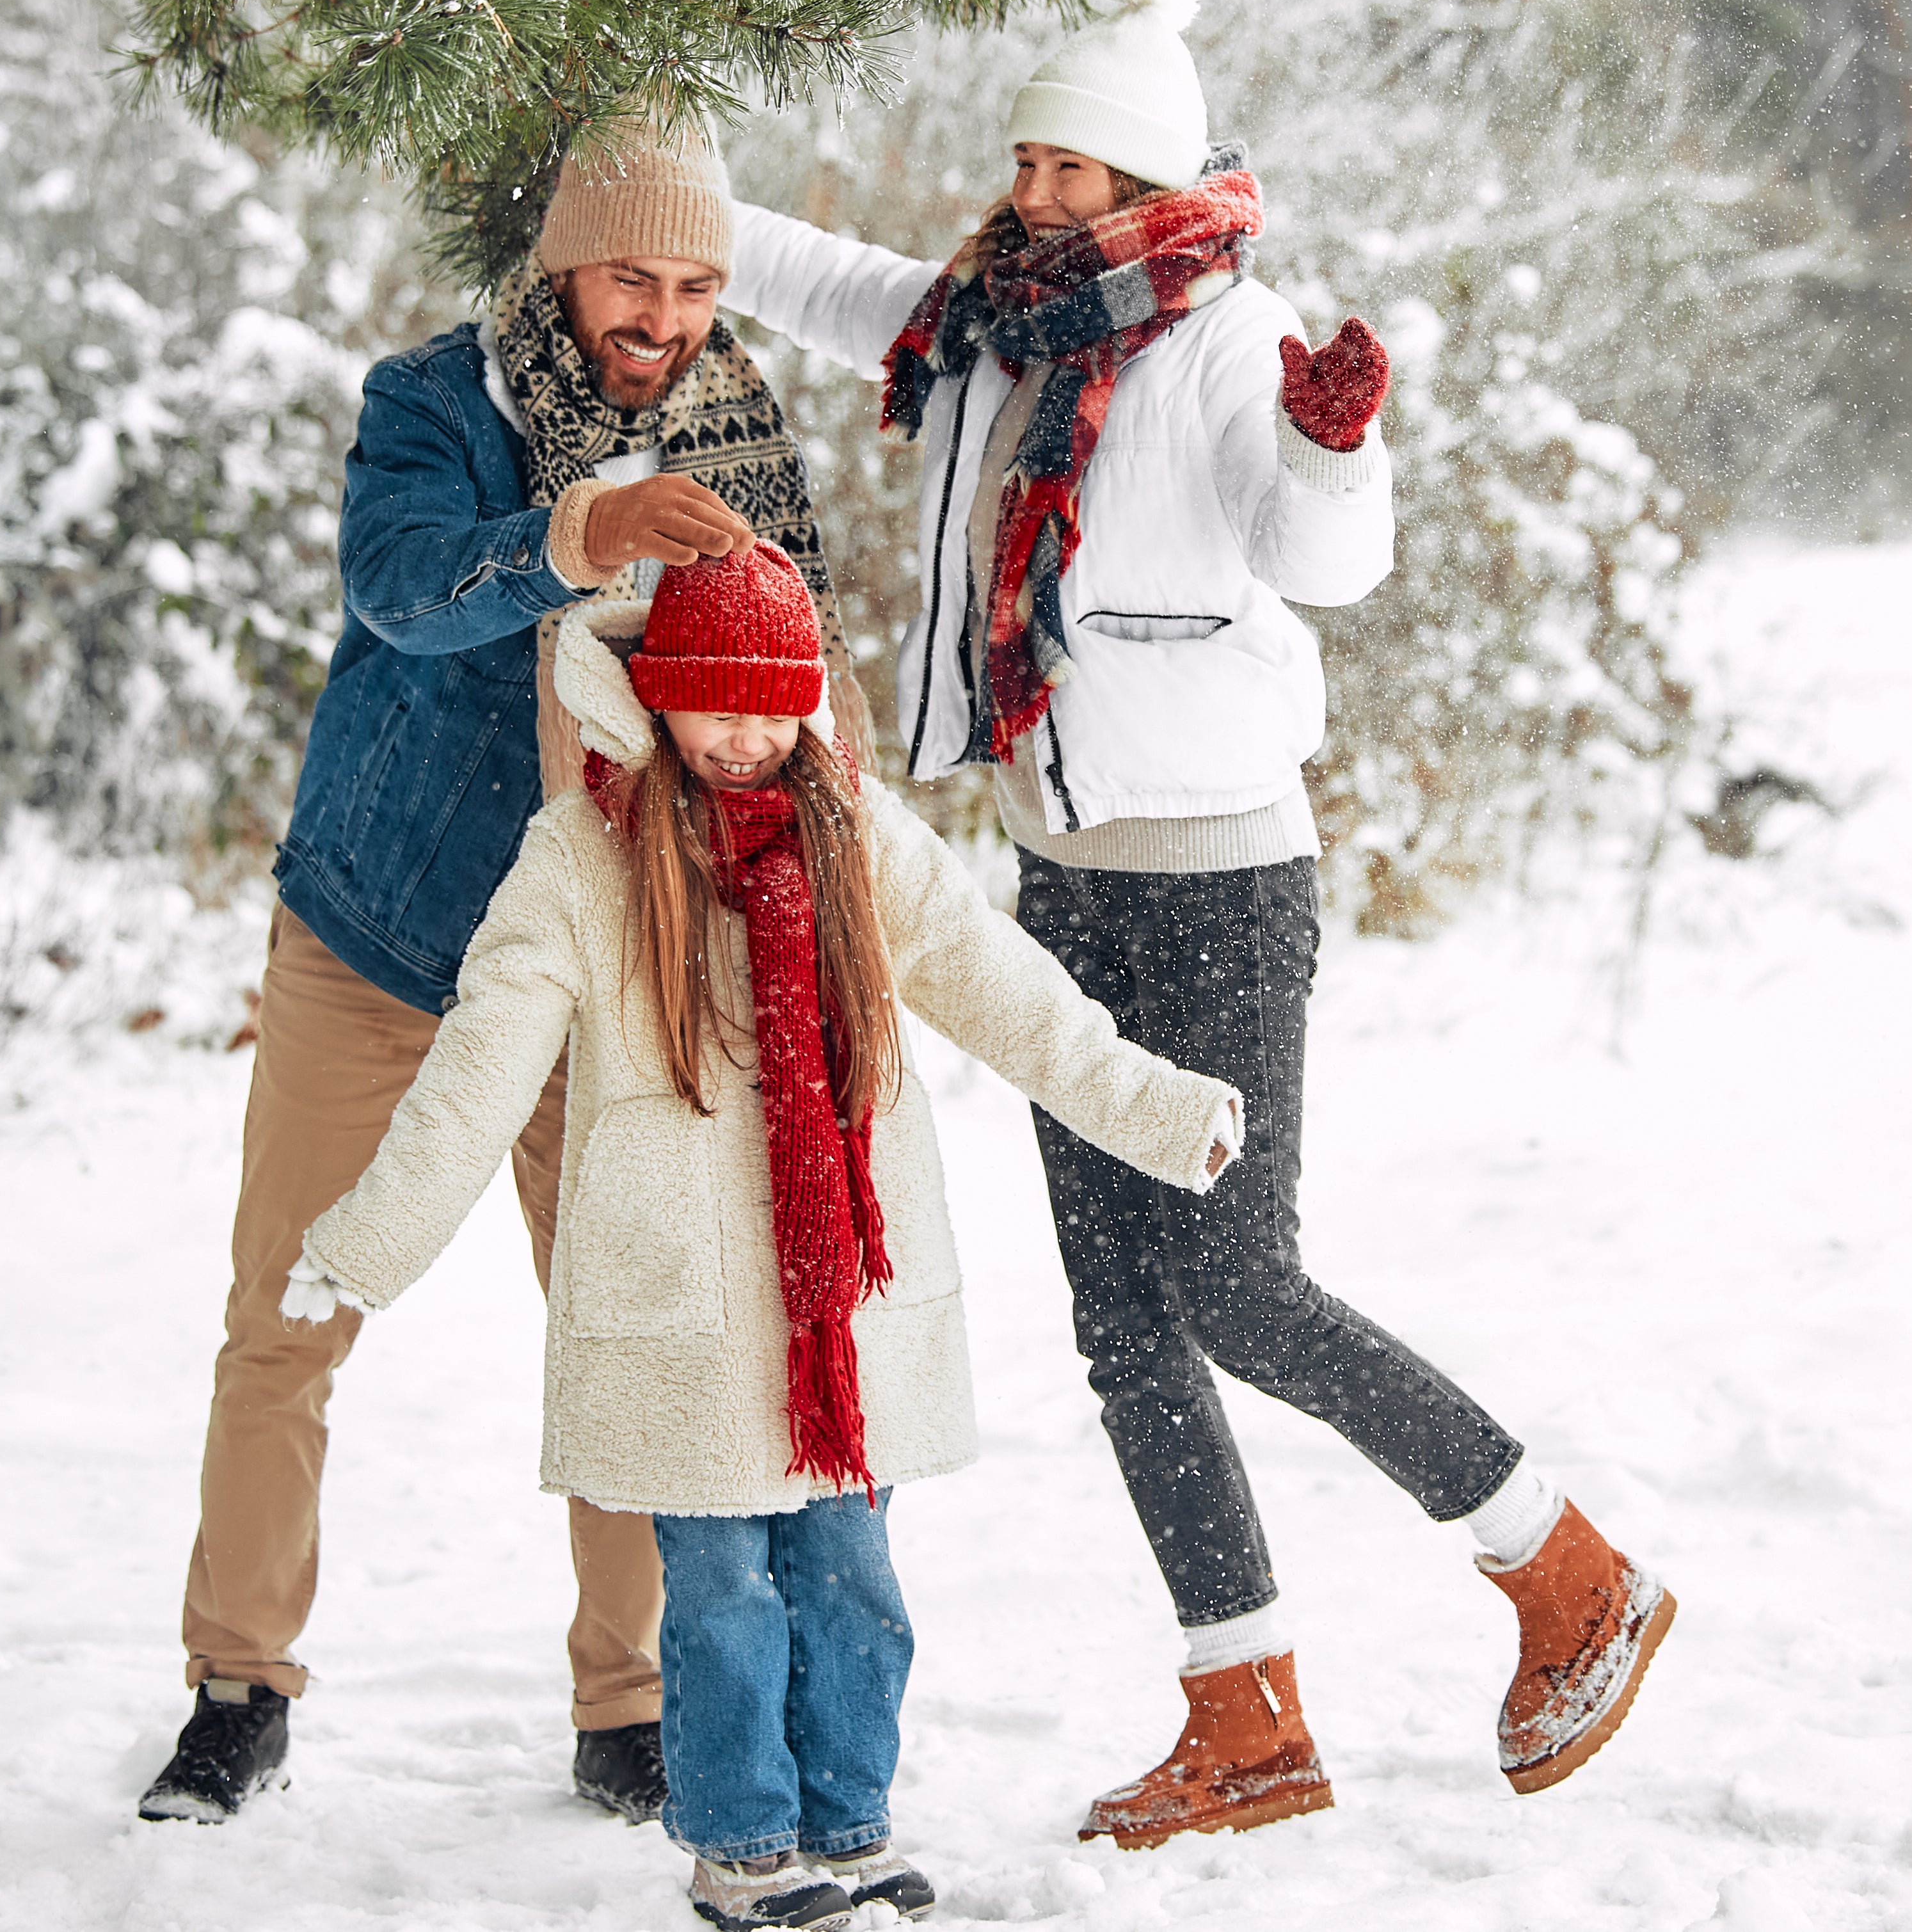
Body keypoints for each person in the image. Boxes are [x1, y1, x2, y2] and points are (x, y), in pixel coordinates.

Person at [717, 0, 1674, 1844]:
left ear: (1151, 181)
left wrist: (1339, 445)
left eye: (1076, 170)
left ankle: (1560, 1567)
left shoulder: (1233, 336)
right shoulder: (1002, 326)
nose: (1039, 194)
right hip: (1064, 876)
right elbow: (827, 285)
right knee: (1120, 1316)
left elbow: (1322, 556)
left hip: (1223, 880)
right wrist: (665, 196)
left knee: (1236, 1277)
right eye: (1028, 162)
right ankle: (1243, 1708)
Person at [277, 543, 1247, 1931]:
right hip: (683, 1301)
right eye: (710, 700)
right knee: (724, 1597)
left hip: (844, 1302)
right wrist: (369, 1241)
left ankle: (847, 1819)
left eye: (767, 701)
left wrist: (1156, 1111)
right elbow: (477, 1070)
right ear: (654, 695)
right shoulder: (581, 854)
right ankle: (741, 1843)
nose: (741, 732)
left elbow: (1011, 995)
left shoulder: (862, 836)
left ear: (805, 701)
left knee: (851, 1577)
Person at [141, 120, 874, 1824]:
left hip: (604, 958)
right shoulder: (433, 400)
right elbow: (399, 592)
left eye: (697, 283)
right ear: (561, 264)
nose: (665, 315)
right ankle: (237, 1682)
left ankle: (630, 1706)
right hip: (381, 930)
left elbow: (778, 705)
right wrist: (582, 528)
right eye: (634, 276)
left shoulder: (735, 435)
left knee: (631, 1333)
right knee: (294, 1307)